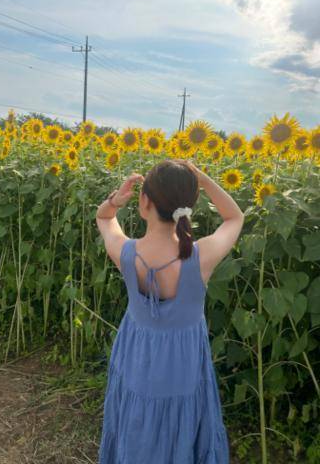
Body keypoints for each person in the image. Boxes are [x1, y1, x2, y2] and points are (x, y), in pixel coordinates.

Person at [95, 158, 244, 463]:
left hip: (136, 360)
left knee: (135, 424)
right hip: (183, 369)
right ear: (191, 204)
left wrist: (114, 201)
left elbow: (104, 219)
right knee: (181, 429)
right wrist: (203, 180)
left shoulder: (125, 253)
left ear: (143, 200)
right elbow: (235, 218)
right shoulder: (201, 257)